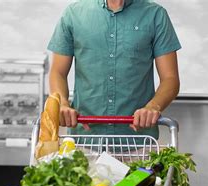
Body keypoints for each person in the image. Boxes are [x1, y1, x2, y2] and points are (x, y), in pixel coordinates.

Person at [47, 0, 181, 139]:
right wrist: (62, 103)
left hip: (139, 141)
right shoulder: (73, 14)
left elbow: (170, 79)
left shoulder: (155, 15)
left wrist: (153, 107)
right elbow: (58, 72)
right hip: (85, 140)